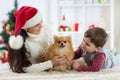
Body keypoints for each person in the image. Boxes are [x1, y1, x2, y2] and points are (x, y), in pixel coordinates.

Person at [8, 6, 67, 73]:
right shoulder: (22, 43)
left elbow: (54, 47)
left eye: (41, 21)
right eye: (36, 25)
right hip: (38, 71)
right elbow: (24, 68)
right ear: (27, 28)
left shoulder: (46, 29)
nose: (41, 26)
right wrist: (51, 63)